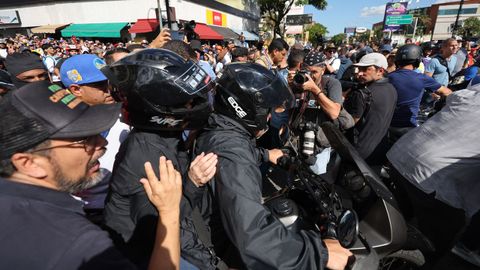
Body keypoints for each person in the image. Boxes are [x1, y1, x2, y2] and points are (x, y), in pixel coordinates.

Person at [0, 80, 183, 270]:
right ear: (29, 163)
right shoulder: (79, 245)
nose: (101, 143)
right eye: (83, 140)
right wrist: (169, 213)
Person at [194, 62, 352, 270]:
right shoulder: (231, 149)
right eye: (265, 110)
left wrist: (266, 154)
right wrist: (320, 255)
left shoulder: (223, 129)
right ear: (244, 108)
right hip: (219, 250)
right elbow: (250, 231)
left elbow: (239, 151)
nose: (269, 116)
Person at [102, 49, 220, 269]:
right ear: (162, 106)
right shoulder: (147, 154)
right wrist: (193, 183)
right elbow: (160, 224)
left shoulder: (164, 136)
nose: (194, 105)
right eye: (187, 101)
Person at [386, 78, 480, 266]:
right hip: (432, 179)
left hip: (402, 154)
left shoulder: (473, 91)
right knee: (438, 245)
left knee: (395, 219)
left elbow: (453, 98)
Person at [388, 44, 451, 140]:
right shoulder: (422, 78)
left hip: (386, 124)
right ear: (418, 60)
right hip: (407, 126)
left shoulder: (387, 77)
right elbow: (447, 92)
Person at [344, 53, 397, 165]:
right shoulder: (392, 89)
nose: (360, 73)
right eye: (359, 69)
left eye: (366, 69)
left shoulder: (362, 94)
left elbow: (348, 123)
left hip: (357, 153)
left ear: (380, 71)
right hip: (379, 150)